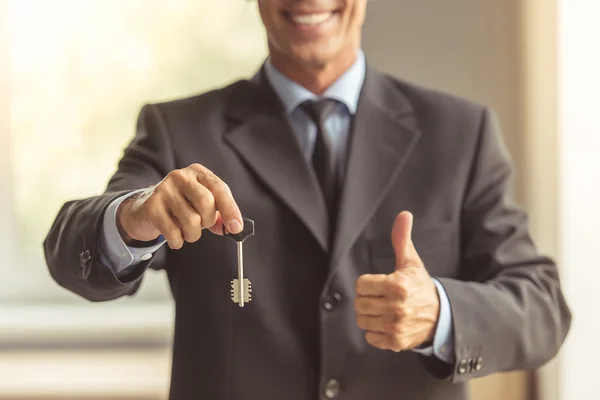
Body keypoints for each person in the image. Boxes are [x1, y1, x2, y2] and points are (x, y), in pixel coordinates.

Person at [44, 0, 571, 399]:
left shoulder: (460, 132)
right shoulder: (178, 131)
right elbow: (68, 254)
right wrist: (133, 216)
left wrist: (442, 314)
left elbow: (543, 309)